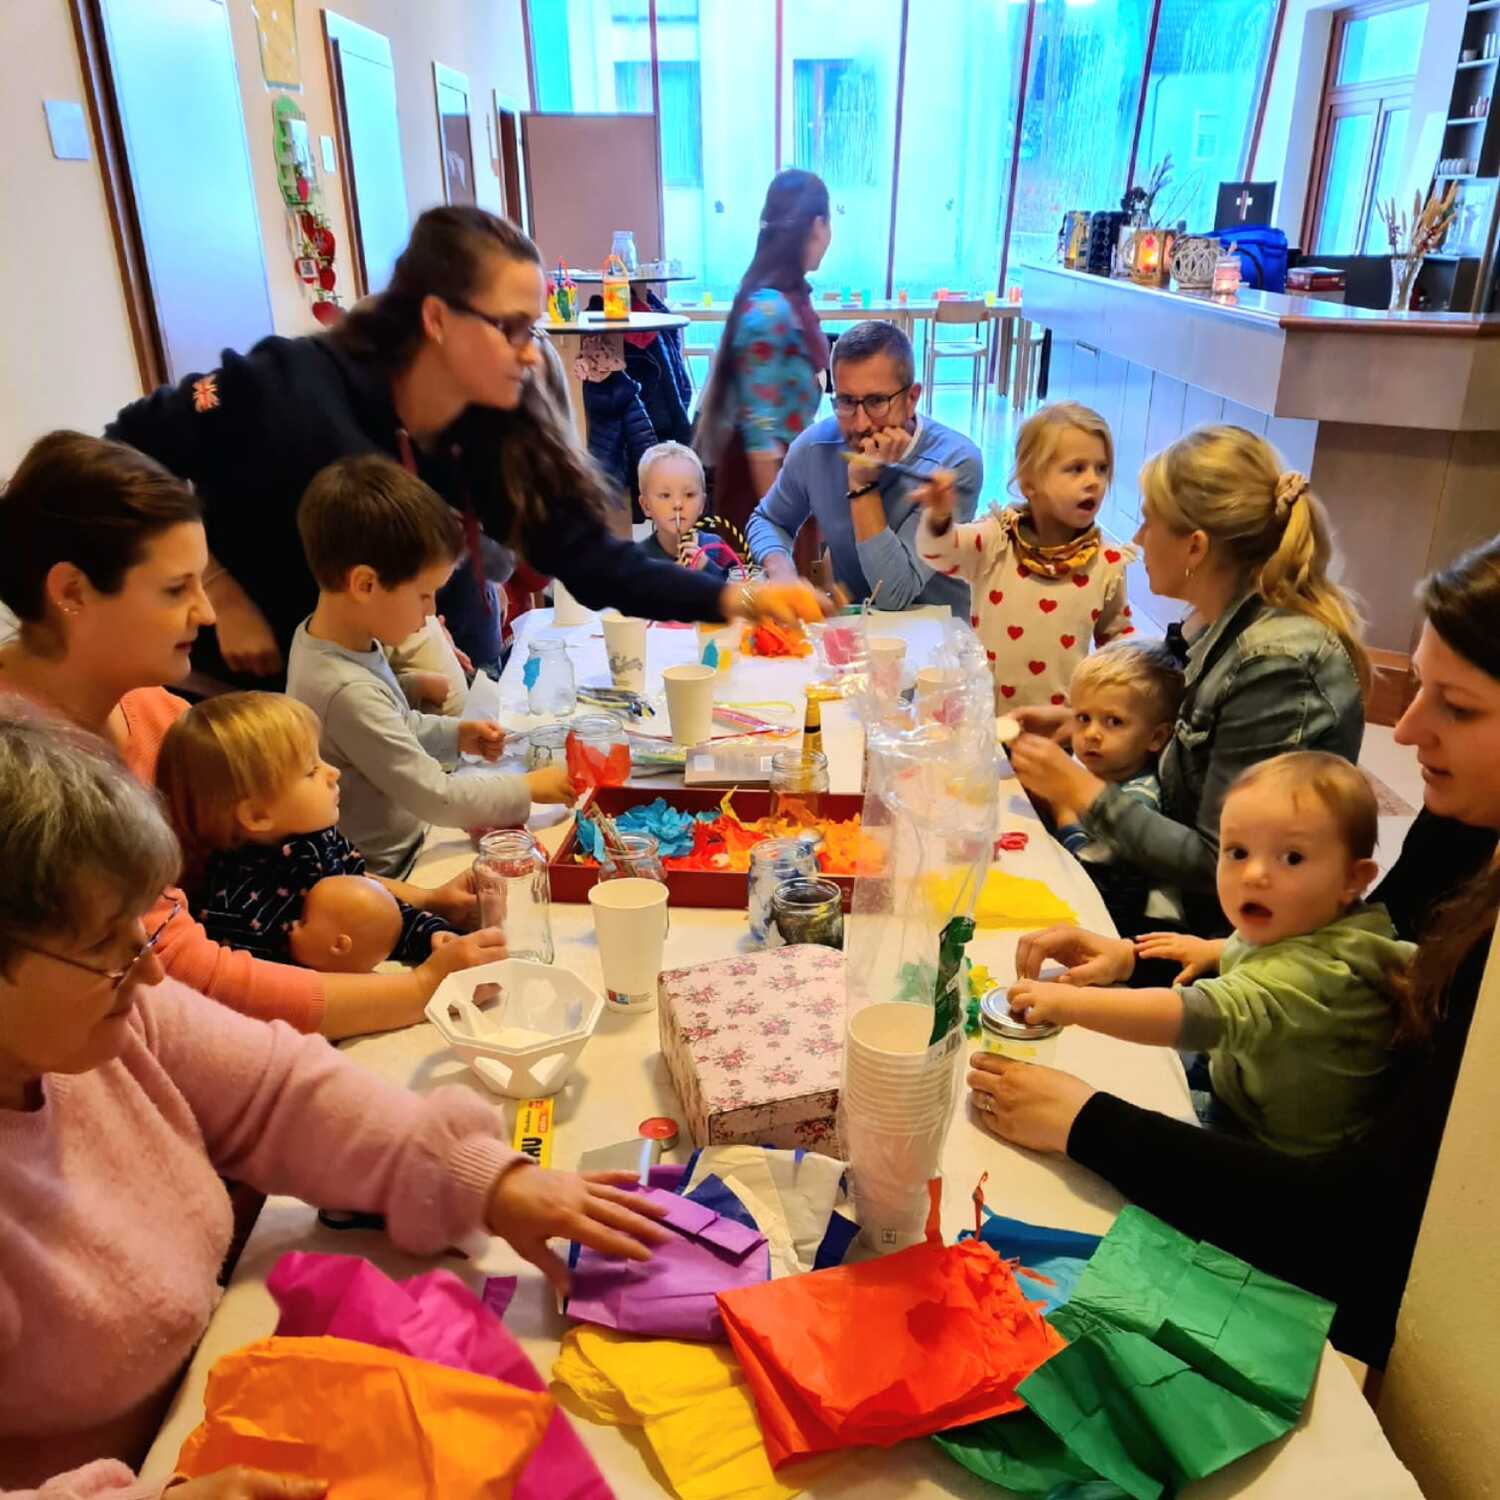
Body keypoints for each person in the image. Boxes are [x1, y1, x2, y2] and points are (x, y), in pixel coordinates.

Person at [0, 707, 667, 1496]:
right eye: (102, 949)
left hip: (217, 1390)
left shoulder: (117, 1016)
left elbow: (277, 1092)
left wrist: (489, 1178)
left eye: (139, 932)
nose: (149, 972)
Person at [968, 534, 1500, 1366]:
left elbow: (1358, 1224)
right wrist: (1136, 960)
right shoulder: (1468, 821)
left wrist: (1087, 1123)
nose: (1405, 730)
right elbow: (1321, 955)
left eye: (1458, 708)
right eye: (1420, 688)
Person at [105, 205, 824, 686]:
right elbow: (126, 449)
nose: (528, 352)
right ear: (436, 319)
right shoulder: (286, 386)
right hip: (260, 689)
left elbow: (591, 560)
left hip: (394, 684)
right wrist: (215, 588)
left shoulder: (483, 425)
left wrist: (734, 598)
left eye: (530, 329)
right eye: (510, 328)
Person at [0, 431, 502, 1040]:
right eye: (175, 589)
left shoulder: (157, 712)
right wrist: (422, 989)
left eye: (201, 582)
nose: (208, 613)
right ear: (72, 592)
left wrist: (423, 901)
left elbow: (291, 874)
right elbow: (181, 971)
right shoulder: (28, 774)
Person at [1008, 425, 1369, 933]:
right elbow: (1189, 740)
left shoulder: (1275, 665)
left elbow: (1221, 864)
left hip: (1220, 938)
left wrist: (1080, 790)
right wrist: (1087, 721)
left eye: (1147, 522)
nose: (1137, 539)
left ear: (1195, 547)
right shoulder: (1214, 623)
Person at [1014, 752, 1413, 1157]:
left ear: (1353, 880)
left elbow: (1193, 1016)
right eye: (1237, 852)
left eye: (1292, 858)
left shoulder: (1317, 979)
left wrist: (1072, 1005)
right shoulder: (1304, 921)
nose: (1253, 874)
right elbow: (1272, 955)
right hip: (1244, 1085)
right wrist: (1207, 950)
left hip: (1269, 1148)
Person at [286, 455, 574, 876]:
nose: (430, 612)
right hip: (400, 868)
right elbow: (437, 797)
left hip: (421, 836)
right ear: (365, 584)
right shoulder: (344, 690)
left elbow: (395, 725)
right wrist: (527, 788)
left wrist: (455, 735)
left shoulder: (337, 640)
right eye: (423, 595)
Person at [156, 692, 460, 969]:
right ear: (257, 815)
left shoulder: (319, 839)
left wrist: (429, 935)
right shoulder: (236, 910)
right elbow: (278, 990)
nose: (333, 772)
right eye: (312, 770)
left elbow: (368, 913)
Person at [747, 320, 983, 612]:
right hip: (857, 625)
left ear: (911, 398)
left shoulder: (954, 462)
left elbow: (894, 594)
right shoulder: (815, 448)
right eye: (846, 401)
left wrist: (862, 486)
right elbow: (768, 519)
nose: (860, 424)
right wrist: (782, 572)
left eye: (877, 401)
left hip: (938, 629)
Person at [916, 401, 1135, 707]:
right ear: (1029, 483)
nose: (1093, 481)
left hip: (1061, 723)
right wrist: (939, 517)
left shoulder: (1106, 563)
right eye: (1076, 469)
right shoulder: (995, 541)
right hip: (988, 718)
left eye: (1101, 468)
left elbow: (1117, 639)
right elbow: (937, 553)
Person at [694, 169, 833, 535]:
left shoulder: (787, 295)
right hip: (764, 495)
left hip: (785, 482)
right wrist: (775, 533)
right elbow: (761, 440)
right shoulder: (769, 310)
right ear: (818, 225)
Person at [1052, 638, 1185, 934]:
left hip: (1133, 930)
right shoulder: (1104, 773)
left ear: (1156, 737)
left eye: (1113, 722)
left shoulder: (1138, 798)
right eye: (1083, 718)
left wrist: (1063, 813)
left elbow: (1092, 875)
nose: (1091, 734)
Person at [633, 441, 732, 580]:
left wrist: (708, 568)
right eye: (665, 495)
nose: (678, 504)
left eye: (689, 495)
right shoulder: (639, 559)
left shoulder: (716, 548)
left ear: (702, 504)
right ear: (646, 506)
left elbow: (739, 589)